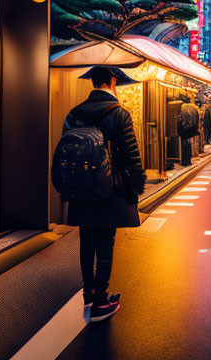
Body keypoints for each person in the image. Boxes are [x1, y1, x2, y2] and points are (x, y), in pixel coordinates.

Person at [63, 66, 145, 322]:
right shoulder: (119, 113)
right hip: (110, 188)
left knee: (86, 239)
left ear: (92, 83)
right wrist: (137, 185)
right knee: (105, 240)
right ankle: (101, 298)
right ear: (111, 82)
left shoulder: (74, 114)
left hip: (80, 188)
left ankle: (89, 294)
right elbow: (131, 155)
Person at [177, 95, 200, 166]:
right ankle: (188, 160)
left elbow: (180, 119)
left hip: (184, 129)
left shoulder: (182, 108)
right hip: (191, 129)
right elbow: (197, 118)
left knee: (184, 145)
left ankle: (184, 160)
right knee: (188, 144)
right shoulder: (193, 108)